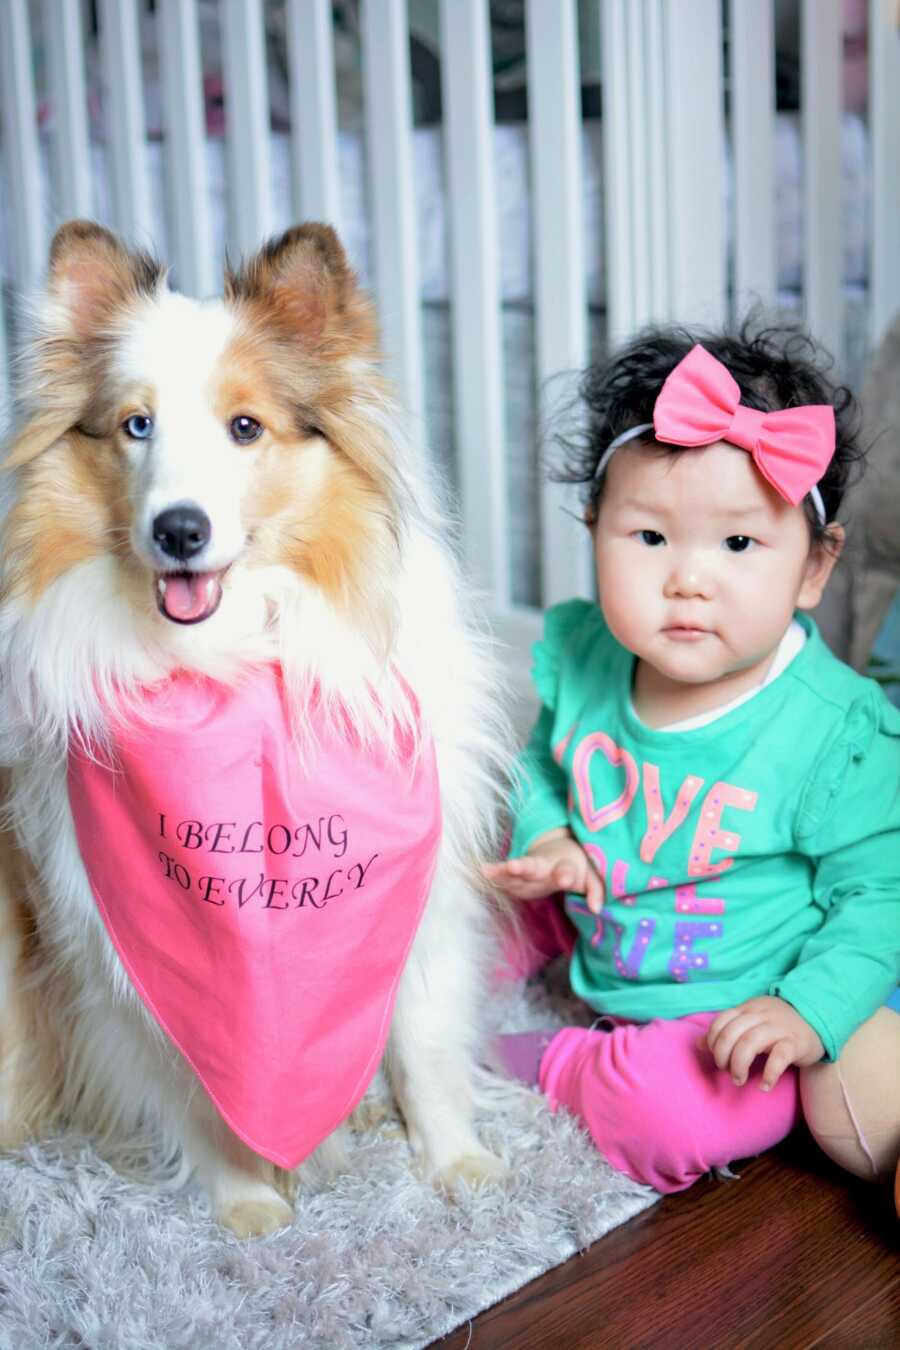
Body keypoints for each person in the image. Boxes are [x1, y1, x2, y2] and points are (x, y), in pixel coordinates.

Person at [485, 324, 900, 1194]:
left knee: (677, 1112)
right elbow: (540, 765)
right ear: (595, 530)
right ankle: (394, 1019)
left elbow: (881, 899)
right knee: (455, 902)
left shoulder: (836, 732)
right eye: (649, 538)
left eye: (739, 546)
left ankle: (546, 1062)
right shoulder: (592, 655)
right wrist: (552, 834)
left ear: (814, 569)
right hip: (597, 902)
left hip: (735, 1002)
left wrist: (804, 1014)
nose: (688, 580)